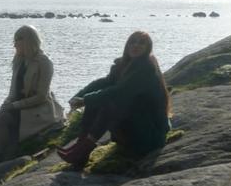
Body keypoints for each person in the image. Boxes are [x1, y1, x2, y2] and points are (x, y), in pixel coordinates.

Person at [58, 31, 172, 167]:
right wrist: (80, 96)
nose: (136, 45)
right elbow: (104, 83)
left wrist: (84, 100)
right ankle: (81, 147)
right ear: (127, 45)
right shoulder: (124, 65)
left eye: (141, 43)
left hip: (149, 134)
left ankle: (83, 149)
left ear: (148, 48)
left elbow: (120, 91)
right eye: (132, 42)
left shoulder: (146, 69)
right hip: (134, 127)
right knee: (95, 102)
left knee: (111, 103)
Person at [0, 25, 65, 171]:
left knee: (2, 120)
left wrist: (14, 106)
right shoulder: (19, 61)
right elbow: (13, 92)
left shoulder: (44, 62)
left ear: (27, 41)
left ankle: (0, 159)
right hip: (17, 107)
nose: (14, 44)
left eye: (17, 40)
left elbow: (41, 96)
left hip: (36, 109)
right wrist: (6, 104)